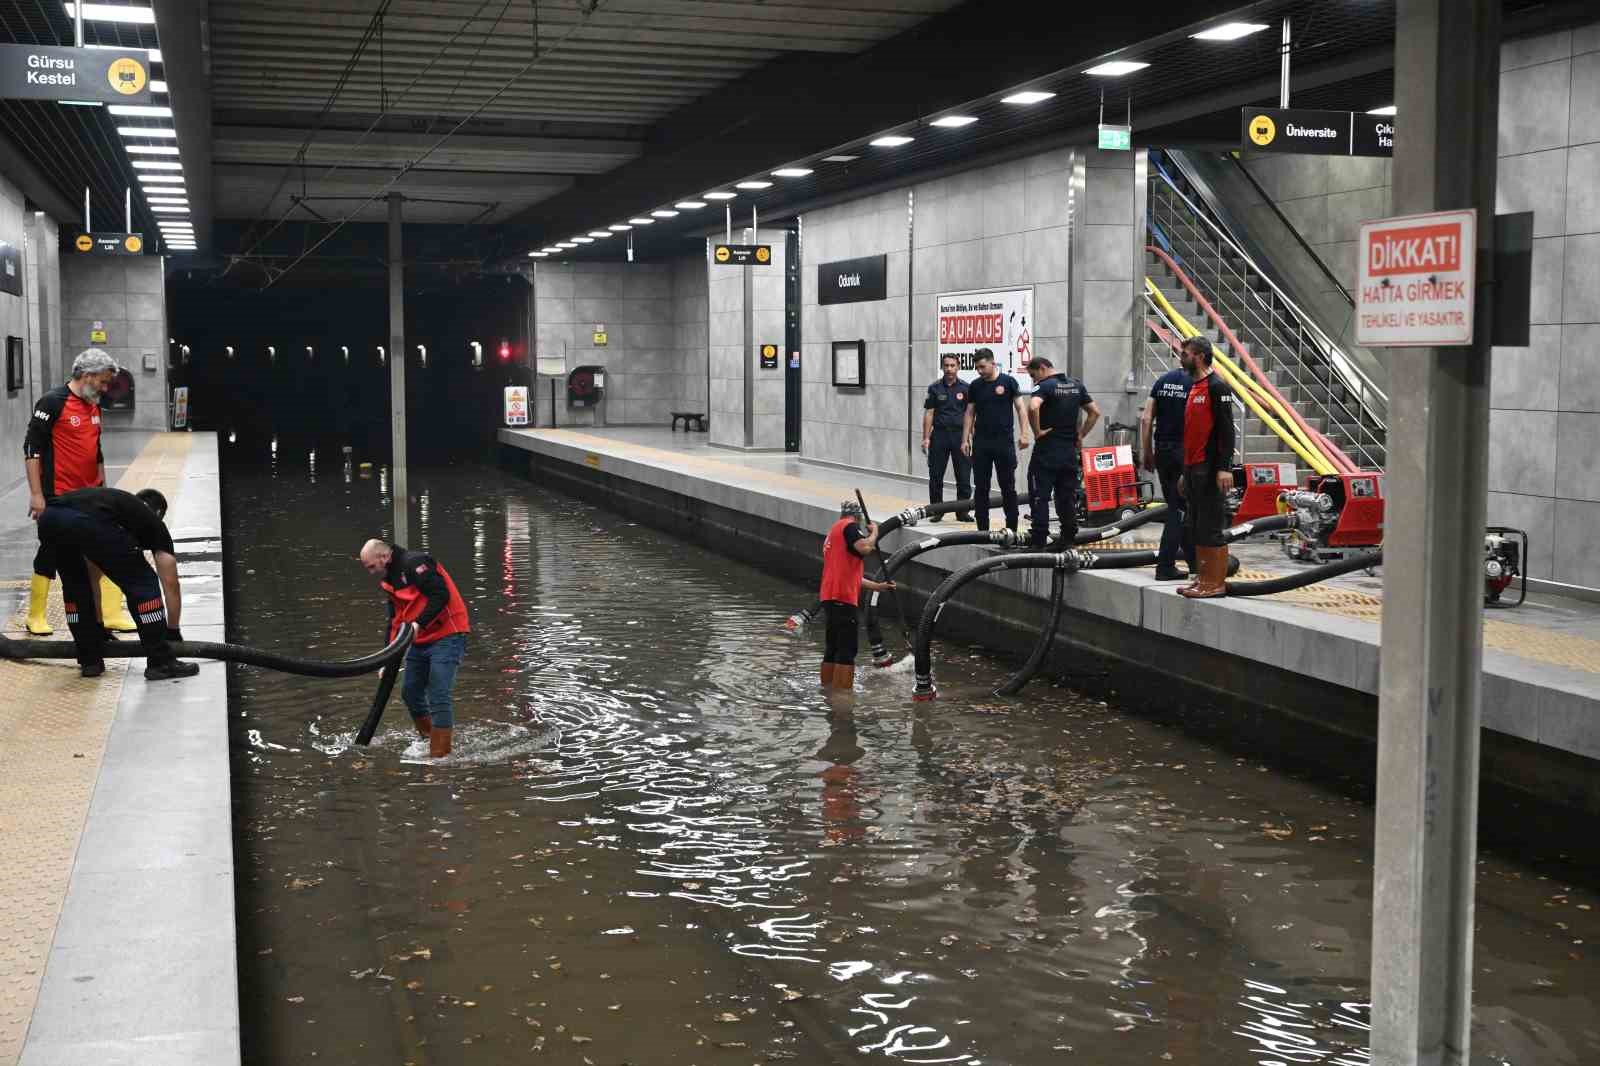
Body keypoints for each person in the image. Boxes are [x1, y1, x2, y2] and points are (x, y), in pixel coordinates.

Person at [22, 349, 138, 635]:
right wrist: (37, 495)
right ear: (87, 375)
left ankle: (110, 613)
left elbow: (96, 452)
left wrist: (105, 492)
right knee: (51, 552)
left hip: (93, 496)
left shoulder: (93, 405)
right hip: (59, 497)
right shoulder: (52, 402)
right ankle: (35, 615)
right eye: (103, 381)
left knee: (106, 548)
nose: (105, 388)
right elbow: (31, 449)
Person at [35, 486, 198, 680]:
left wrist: (98, 627)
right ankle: (161, 662)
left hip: (49, 518)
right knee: (144, 584)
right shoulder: (152, 522)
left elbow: (92, 578)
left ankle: (90, 660)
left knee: (76, 588)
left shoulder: (112, 507)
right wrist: (173, 631)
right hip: (81, 521)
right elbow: (170, 583)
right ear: (159, 513)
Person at [359, 538, 471, 756]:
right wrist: (386, 659)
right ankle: (431, 740)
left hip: (449, 633)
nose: (371, 572)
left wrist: (419, 623)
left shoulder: (416, 562)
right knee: (410, 693)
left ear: (383, 557)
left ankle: (440, 758)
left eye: (372, 566)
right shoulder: (389, 581)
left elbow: (441, 595)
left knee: (438, 693)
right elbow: (395, 621)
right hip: (419, 638)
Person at [1177, 336, 1236, 598]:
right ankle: (1203, 577)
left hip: (1210, 468)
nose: (1181, 357)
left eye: (1185, 353)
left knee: (1210, 526)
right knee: (1195, 525)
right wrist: (1184, 471)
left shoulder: (1217, 387)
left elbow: (1226, 431)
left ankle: (1215, 582)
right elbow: (1192, 433)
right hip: (1192, 467)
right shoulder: (1194, 386)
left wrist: (1224, 468)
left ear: (1199, 356)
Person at [1024, 356, 1100, 549]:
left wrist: (1037, 431)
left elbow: (1033, 407)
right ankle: (1068, 538)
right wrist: (1081, 435)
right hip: (1069, 452)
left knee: (1040, 495)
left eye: (1033, 376)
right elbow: (1095, 412)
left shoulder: (1044, 386)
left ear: (1041, 368)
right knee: (1066, 495)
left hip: (1047, 451)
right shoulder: (1076, 385)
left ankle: (1039, 538)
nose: (1034, 381)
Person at [817, 501, 894, 691]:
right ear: (857, 517)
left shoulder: (833, 534)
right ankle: (842, 696)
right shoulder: (849, 527)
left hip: (829, 596)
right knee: (847, 648)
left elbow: (851, 575)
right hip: (843, 598)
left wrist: (877, 586)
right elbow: (865, 548)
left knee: (833, 647)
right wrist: (874, 532)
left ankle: (827, 689)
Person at [960, 349, 1030, 533]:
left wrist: (1024, 433)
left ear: (992, 362)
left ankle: (1012, 530)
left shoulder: (1008, 382)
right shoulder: (975, 385)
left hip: (1003, 444)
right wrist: (965, 439)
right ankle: (982, 531)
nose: (980, 371)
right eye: (977, 368)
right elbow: (969, 413)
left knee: (1008, 487)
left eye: (982, 367)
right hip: (982, 444)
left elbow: (1021, 409)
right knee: (981, 488)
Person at [1140, 361, 1194, 580]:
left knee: (1178, 508)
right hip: (1184, 452)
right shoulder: (1197, 384)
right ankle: (1165, 565)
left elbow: (1145, 418)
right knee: (1179, 510)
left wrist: (1147, 452)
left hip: (1162, 451)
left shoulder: (1163, 381)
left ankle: (1194, 562)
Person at [921, 355, 972, 522]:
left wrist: (970, 437)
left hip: (960, 436)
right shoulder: (934, 388)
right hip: (940, 436)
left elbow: (970, 414)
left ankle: (962, 511)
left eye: (952, 365)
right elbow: (929, 413)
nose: (949, 368)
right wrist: (926, 437)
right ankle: (937, 510)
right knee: (936, 475)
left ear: (958, 367)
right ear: (942, 367)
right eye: (946, 365)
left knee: (963, 476)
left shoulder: (966, 388)